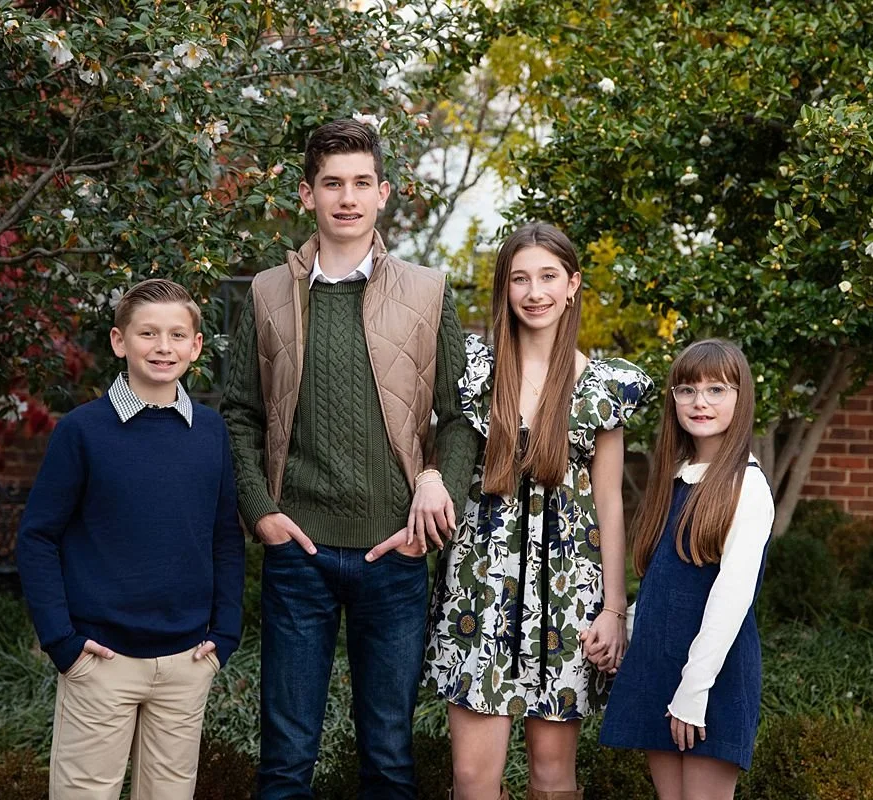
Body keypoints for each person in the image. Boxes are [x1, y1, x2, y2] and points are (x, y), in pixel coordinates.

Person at [220, 118, 477, 799]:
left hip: (394, 553)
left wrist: (436, 489)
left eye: (362, 182)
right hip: (297, 552)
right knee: (285, 759)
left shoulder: (428, 292)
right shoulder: (267, 293)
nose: (347, 197)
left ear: (384, 193)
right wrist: (261, 511)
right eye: (332, 183)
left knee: (388, 758)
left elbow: (458, 419)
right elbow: (239, 414)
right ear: (307, 195)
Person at [423, 222, 654, 800]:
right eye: (520, 278)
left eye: (549, 276)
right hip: (479, 593)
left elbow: (609, 505)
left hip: (566, 599)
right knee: (474, 780)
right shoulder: (476, 374)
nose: (535, 292)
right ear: (504, 288)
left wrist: (614, 609)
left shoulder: (600, 387)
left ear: (572, 284)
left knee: (554, 781)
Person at [16, 278, 245, 800]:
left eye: (176, 335)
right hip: (101, 661)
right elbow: (37, 538)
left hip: (188, 660)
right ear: (120, 342)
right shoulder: (83, 431)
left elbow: (224, 537)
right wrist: (63, 643)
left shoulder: (210, 433)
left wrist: (225, 633)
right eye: (147, 333)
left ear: (196, 346)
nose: (163, 347)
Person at [598, 338, 774, 800]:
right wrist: (627, 632)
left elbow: (731, 598)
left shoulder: (746, 488)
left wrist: (694, 692)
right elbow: (665, 581)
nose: (700, 402)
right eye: (687, 390)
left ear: (741, 398)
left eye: (717, 390)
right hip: (660, 666)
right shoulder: (675, 476)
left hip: (710, 677)